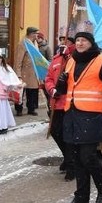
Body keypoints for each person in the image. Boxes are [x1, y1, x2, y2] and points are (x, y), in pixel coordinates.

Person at [55, 32, 102, 203]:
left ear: (91, 43)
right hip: (71, 114)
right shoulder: (71, 60)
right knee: (76, 159)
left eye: (83, 40)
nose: (79, 43)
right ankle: (81, 200)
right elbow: (64, 89)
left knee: (87, 156)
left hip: (92, 116)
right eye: (77, 40)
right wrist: (60, 84)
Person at [44, 37, 76, 181]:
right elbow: (49, 78)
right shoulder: (56, 59)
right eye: (62, 40)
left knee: (68, 135)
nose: (64, 43)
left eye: (67, 41)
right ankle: (68, 157)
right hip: (56, 103)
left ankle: (72, 164)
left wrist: (68, 54)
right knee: (56, 132)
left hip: (70, 104)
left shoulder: (74, 59)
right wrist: (52, 90)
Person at [14, 26, 41, 116]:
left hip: (33, 72)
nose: (37, 35)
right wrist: (18, 74)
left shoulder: (35, 43)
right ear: (31, 34)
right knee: (21, 92)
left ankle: (31, 108)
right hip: (24, 72)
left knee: (32, 91)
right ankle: (19, 109)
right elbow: (18, 60)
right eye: (36, 33)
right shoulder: (23, 43)